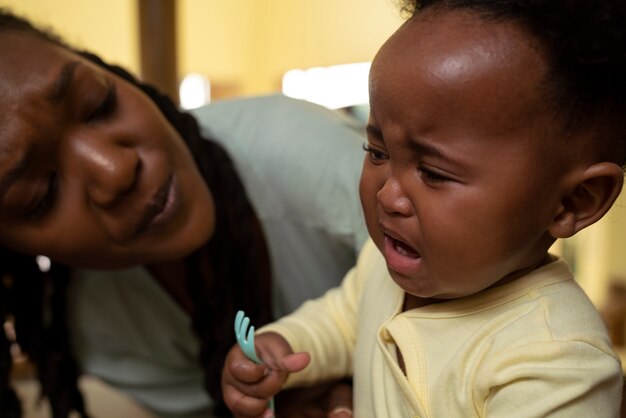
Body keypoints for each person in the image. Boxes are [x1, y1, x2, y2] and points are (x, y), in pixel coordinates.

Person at [221, 0, 626, 417]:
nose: (387, 196)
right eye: (376, 152)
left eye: (433, 173)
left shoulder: (557, 364)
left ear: (574, 201)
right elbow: (341, 321)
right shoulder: (385, 267)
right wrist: (279, 348)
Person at [0, 8, 368, 418]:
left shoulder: (308, 154)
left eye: (99, 103)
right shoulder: (99, 329)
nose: (117, 170)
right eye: (41, 194)